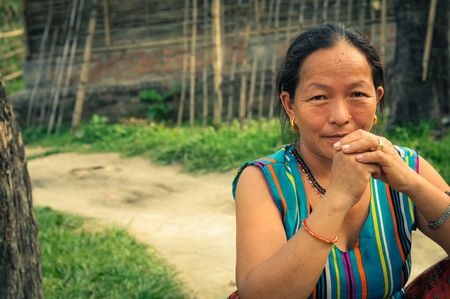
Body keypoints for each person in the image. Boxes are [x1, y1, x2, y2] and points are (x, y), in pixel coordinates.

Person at [228, 22, 450, 299]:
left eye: (357, 94)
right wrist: (338, 198)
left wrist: (412, 184)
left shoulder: (404, 164)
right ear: (291, 106)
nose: (340, 116)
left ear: (377, 99)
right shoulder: (263, 180)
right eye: (319, 97)